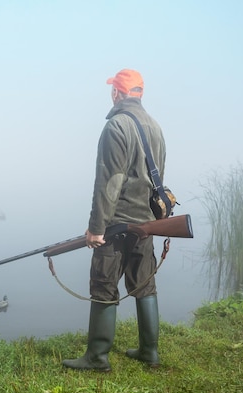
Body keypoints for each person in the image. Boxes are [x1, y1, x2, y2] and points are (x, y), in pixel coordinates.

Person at [62, 69, 166, 372]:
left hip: (118, 224)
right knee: (144, 285)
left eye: (113, 90)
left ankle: (97, 357)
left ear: (117, 93)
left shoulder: (117, 126)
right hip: (146, 224)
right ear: (140, 93)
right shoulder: (155, 127)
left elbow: (109, 182)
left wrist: (96, 228)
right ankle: (150, 352)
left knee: (104, 286)